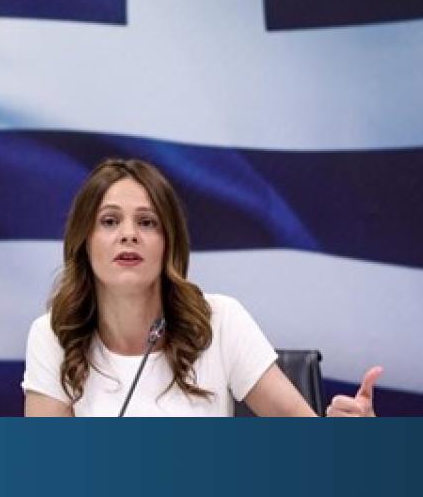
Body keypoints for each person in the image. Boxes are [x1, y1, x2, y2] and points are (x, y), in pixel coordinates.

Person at [22, 158, 381, 417]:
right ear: (84, 241)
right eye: (109, 221)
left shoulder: (220, 321)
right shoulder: (54, 335)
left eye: (147, 222)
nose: (128, 234)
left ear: (169, 244)